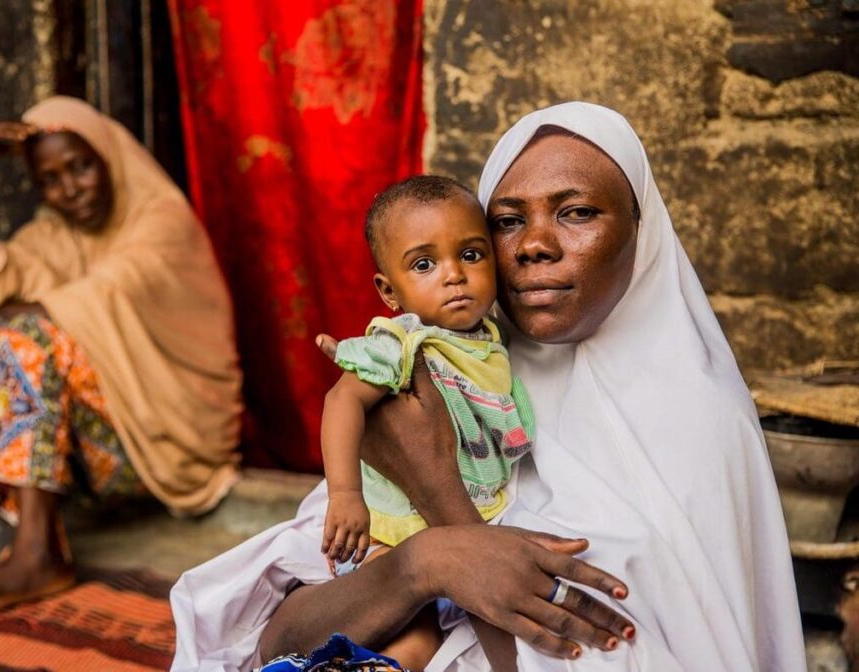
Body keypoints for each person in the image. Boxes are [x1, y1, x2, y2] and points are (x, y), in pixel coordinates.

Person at [170, 101, 806, 671]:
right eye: (506, 221)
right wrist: (422, 563)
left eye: (578, 212)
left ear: (644, 234)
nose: (533, 245)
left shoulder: (698, 425)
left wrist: (441, 502)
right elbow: (278, 641)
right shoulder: (452, 378)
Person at [0, 96, 242, 618]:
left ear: (109, 155)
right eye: (51, 179)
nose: (70, 189)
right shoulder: (55, 235)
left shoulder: (159, 220)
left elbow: (81, 304)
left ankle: (38, 551)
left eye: (81, 166)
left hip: (162, 437)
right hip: (87, 437)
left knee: (27, 336)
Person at [320, 175, 534, 670]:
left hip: (472, 522)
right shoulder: (402, 343)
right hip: (396, 532)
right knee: (413, 643)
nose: (454, 274)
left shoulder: (491, 340)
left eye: (472, 255)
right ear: (389, 291)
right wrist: (345, 496)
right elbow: (341, 402)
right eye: (424, 264)